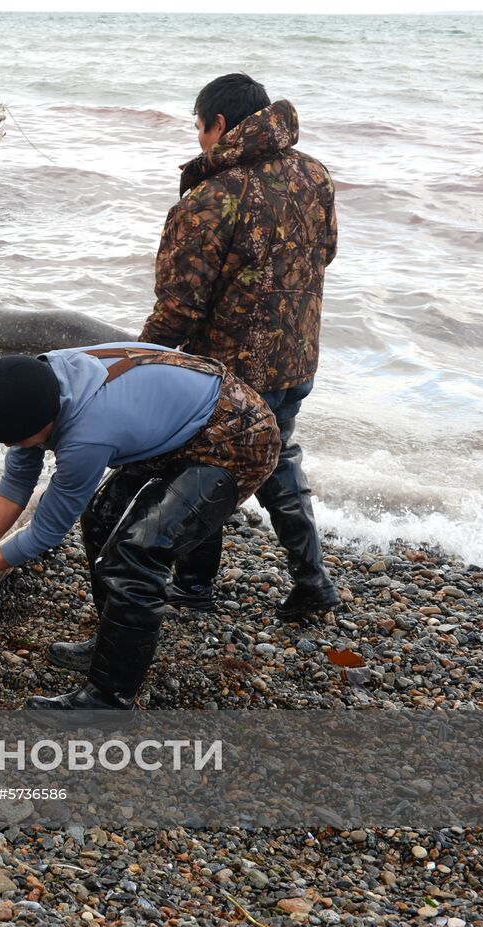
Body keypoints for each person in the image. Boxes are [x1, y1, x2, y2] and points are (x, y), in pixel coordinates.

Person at [0, 346, 280, 710]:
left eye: (14, 441)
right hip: (180, 419)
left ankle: (108, 701)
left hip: (238, 434)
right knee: (101, 517)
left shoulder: (86, 435)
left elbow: (45, 533)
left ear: (44, 425)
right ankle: (112, 639)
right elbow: (18, 479)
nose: (10, 447)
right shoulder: (35, 384)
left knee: (136, 553)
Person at [140, 73, 340, 620]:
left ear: (220, 125)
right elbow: (326, 252)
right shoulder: (315, 175)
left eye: (198, 129)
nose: (198, 141)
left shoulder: (212, 196)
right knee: (278, 460)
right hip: (297, 359)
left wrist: (134, 365)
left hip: (228, 374)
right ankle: (312, 581)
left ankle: (193, 591)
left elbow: (179, 307)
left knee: (203, 468)